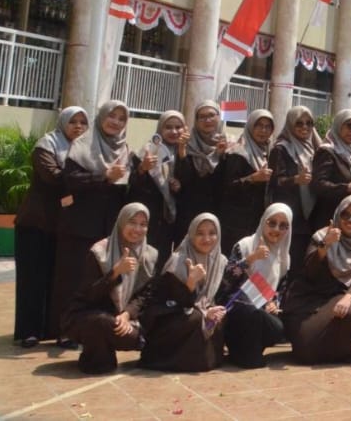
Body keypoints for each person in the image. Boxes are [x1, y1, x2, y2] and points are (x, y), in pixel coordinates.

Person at [54, 100, 135, 347]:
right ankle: (68, 330)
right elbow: (70, 180)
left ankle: (98, 327)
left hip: (109, 225)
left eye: (122, 118)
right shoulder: (82, 145)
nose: (116, 122)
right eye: (112, 116)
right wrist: (104, 176)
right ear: (101, 118)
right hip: (81, 225)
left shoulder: (125, 149)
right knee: (75, 277)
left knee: (103, 277)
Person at [14, 106, 84, 347]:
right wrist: (89, 177)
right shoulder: (46, 145)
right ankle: (29, 331)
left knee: (58, 280)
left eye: (82, 122)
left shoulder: (83, 149)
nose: (77, 127)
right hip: (35, 223)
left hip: (62, 226)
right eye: (73, 121)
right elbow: (51, 176)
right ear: (62, 122)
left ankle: (52, 330)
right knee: (32, 279)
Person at [60, 202, 156, 373]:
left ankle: (100, 354)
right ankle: (95, 360)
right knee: (101, 322)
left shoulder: (149, 255)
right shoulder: (100, 251)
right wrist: (115, 272)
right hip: (85, 317)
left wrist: (126, 315)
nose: (137, 229)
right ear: (121, 222)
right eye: (132, 222)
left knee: (122, 330)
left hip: (123, 321)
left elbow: (144, 296)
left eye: (143, 224)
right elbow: (89, 295)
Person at [281, 195, 351, 365]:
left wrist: (348, 297)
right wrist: (326, 246)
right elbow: (310, 272)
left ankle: (340, 353)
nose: (350, 220)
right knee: (304, 352)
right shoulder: (322, 236)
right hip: (309, 297)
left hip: (339, 296)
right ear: (338, 215)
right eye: (345, 215)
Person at [138, 212, 228, 372]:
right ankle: (166, 360)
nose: (207, 239)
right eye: (200, 233)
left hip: (196, 310)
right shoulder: (178, 260)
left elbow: (213, 297)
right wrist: (190, 283)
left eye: (212, 233)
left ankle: (206, 357)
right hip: (167, 316)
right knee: (196, 318)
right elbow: (169, 300)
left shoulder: (219, 261)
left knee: (218, 316)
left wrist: (211, 309)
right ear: (191, 234)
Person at [216, 203, 291, 368]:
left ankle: (250, 352)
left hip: (262, 310)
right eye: (272, 223)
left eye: (283, 225)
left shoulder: (284, 256)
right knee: (252, 313)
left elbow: (280, 289)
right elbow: (226, 281)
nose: (276, 229)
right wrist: (251, 259)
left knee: (277, 328)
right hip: (238, 307)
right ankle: (243, 353)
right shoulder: (245, 245)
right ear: (263, 221)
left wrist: (273, 302)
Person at [267, 106, 322, 271]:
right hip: (290, 215)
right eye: (299, 123)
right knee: (285, 261)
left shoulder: (313, 147)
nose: (304, 127)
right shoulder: (281, 148)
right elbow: (275, 181)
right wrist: (295, 180)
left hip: (309, 215)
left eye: (309, 123)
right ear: (290, 124)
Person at [128, 110, 186, 256]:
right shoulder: (146, 151)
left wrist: (179, 188)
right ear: (160, 129)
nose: (173, 131)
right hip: (149, 217)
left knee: (164, 260)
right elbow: (132, 185)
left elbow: (192, 184)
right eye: (168, 127)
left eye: (178, 127)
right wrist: (142, 168)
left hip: (172, 220)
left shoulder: (185, 152)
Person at [219, 109, 275, 253]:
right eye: (259, 125)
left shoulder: (269, 152)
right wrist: (253, 178)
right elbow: (228, 187)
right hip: (236, 222)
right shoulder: (238, 152)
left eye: (268, 126)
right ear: (250, 126)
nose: (263, 130)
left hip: (258, 220)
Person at [176, 101, 228, 236]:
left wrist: (221, 155)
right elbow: (183, 179)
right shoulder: (186, 143)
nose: (208, 120)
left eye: (212, 115)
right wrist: (182, 151)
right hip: (188, 211)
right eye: (202, 117)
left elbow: (226, 182)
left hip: (216, 212)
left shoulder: (228, 144)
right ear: (196, 120)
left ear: (219, 117)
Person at [311, 110, 351, 233]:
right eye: (349, 125)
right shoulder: (327, 152)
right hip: (330, 218)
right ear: (338, 125)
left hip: (350, 219)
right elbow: (317, 185)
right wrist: (347, 187)